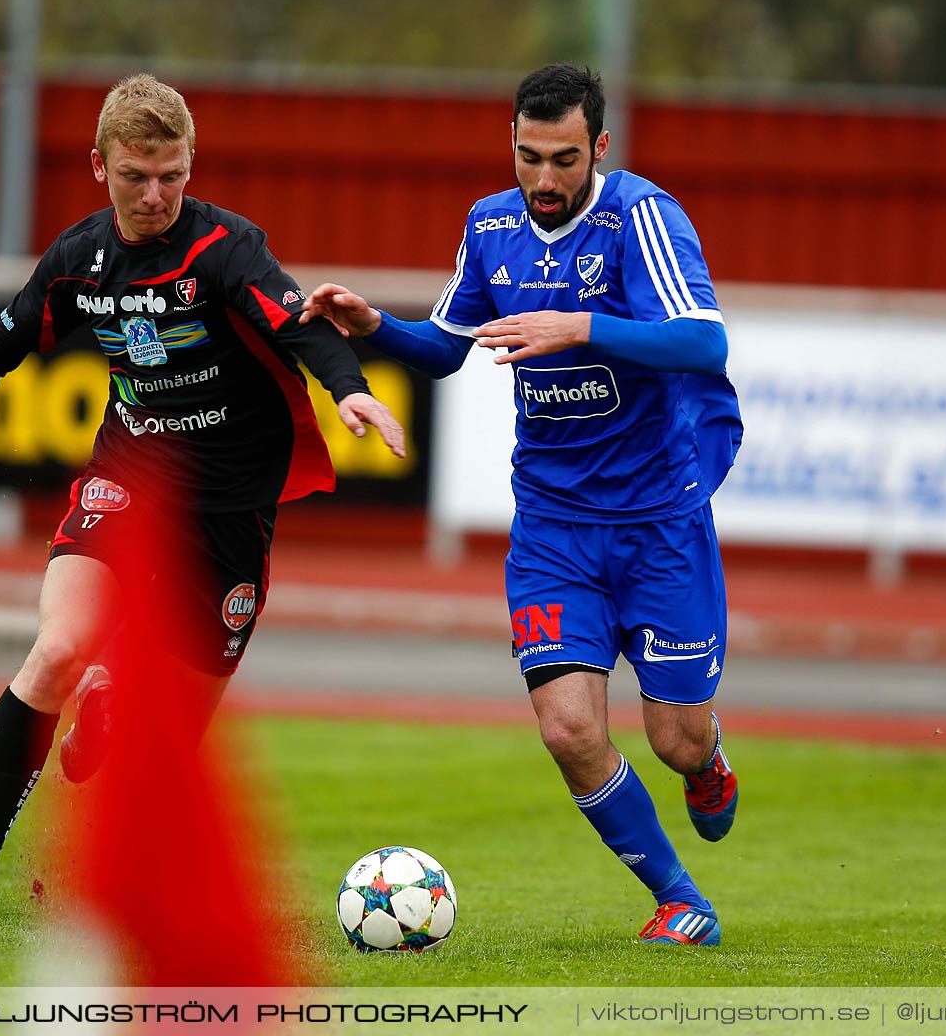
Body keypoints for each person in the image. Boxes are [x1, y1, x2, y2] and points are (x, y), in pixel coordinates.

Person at [0, 74, 404, 915]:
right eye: (137, 176)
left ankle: (115, 758)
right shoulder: (79, 260)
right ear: (98, 167)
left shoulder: (223, 249)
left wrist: (348, 388)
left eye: (172, 175)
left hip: (232, 507)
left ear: (191, 164)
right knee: (56, 651)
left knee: (174, 737)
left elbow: (299, 326)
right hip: (128, 479)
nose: (156, 194)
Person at [304, 63, 742, 946]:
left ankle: (710, 759)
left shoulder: (639, 216)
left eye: (564, 160)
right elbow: (444, 348)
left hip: (658, 519)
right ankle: (679, 899)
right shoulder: (490, 224)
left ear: (600, 150)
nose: (544, 180)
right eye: (528, 157)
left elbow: (703, 340)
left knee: (676, 741)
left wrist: (577, 325)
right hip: (551, 526)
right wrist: (372, 327)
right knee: (569, 728)